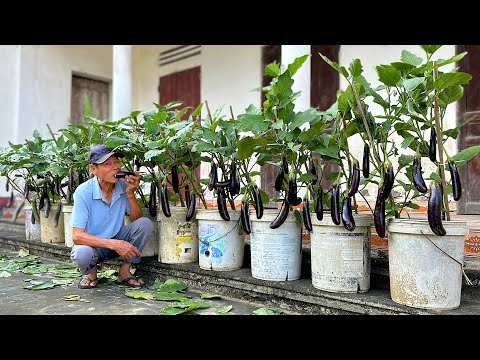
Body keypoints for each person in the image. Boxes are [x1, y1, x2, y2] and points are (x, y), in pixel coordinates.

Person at [70, 144, 153, 289]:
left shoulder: (123, 185)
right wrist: (114, 244)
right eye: (107, 164)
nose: (115, 167)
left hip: (116, 240)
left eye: (116, 162)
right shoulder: (83, 192)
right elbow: (77, 236)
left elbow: (136, 219)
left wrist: (130, 194)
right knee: (81, 253)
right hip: (93, 247)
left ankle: (125, 272)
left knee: (145, 224)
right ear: (93, 169)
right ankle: (91, 274)